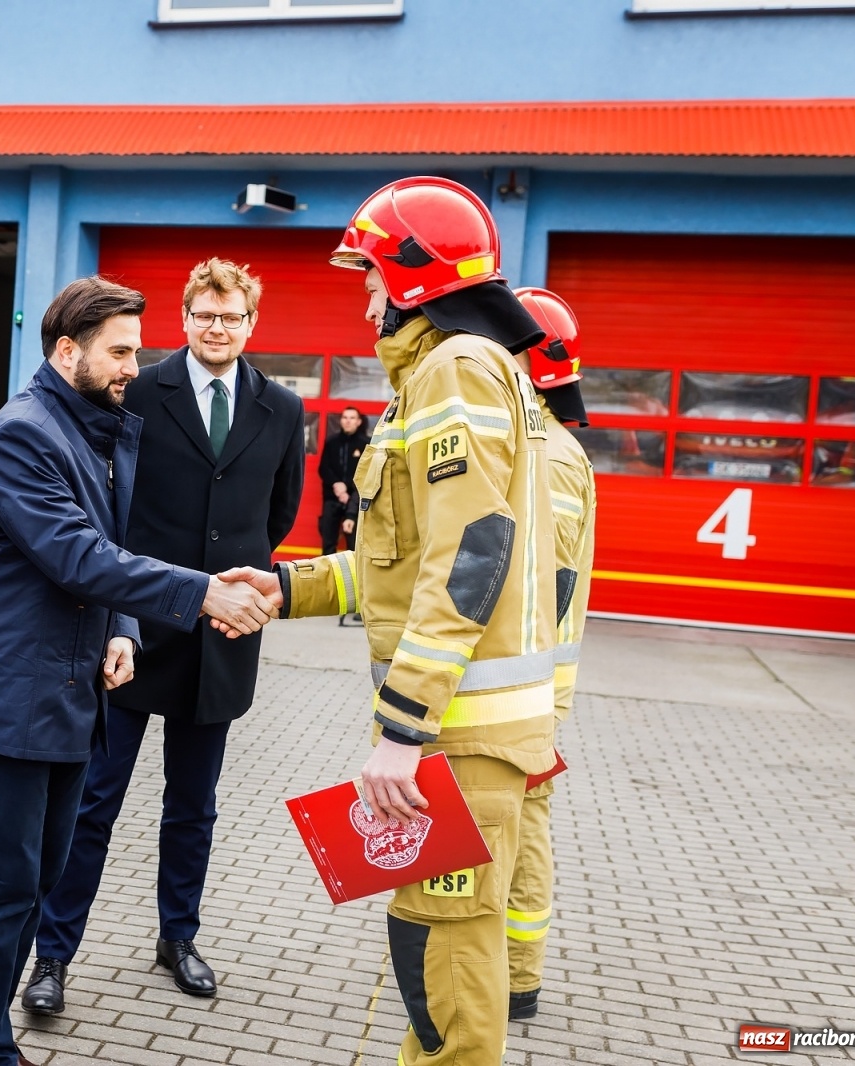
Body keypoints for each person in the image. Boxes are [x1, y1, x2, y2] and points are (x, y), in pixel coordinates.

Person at [219, 177, 558, 1066]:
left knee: (443, 972)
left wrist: (402, 730)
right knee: (432, 956)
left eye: (368, 273)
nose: (363, 292)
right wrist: (287, 588)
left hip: (458, 737)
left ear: (413, 274)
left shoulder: (453, 368)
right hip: (466, 736)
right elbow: (402, 559)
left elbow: (472, 552)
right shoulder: (462, 370)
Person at [0, 276, 279, 1066]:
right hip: (9, 701)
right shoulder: (24, 435)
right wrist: (204, 592)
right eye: (119, 352)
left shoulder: (94, 429)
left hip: (69, 693)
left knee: (38, 875)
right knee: (4, 886)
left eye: (135, 350)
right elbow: (78, 555)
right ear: (66, 350)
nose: (134, 366)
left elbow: (106, 551)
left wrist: (124, 627)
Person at [23, 259, 304, 1010]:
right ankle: (52, 954)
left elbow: (276, 519)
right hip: (135, 633)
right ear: (185, 320)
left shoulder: (281, 409)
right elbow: (108, 508)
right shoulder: (138, 393)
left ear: (251, 324)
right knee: (94, 802)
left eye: (232, 317)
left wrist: (230, 587)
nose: (218, 328)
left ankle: (178, 936)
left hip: (223, 639)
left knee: (194, 804)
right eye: (205, 315)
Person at [506, 287, 597, 1022]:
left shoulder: (551, 457)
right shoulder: (548, 444)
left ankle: (513, 977)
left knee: (519, 833)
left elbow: (541, 580)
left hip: (522, 692)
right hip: (528, 687)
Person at [317, 406, 369, 554]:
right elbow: (323, 468)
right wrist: (336, 484)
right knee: (328, 544)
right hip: (331, 499)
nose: (348, 421)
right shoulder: (331, 442)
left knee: (353, 546)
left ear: (358, 422)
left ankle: (352, 576)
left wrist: (348, 492)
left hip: (354, 501)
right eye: (345, 418)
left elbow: (365, 473)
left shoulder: (366, 443)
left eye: (352, 418)